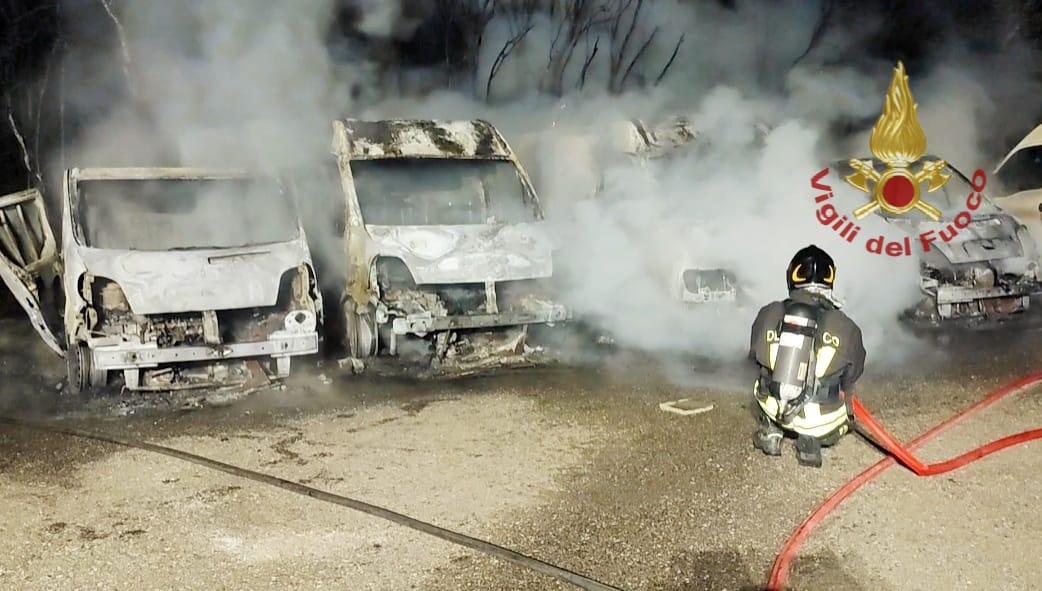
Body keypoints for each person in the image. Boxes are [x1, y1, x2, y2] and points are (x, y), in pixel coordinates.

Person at [748, 244, 867, 467]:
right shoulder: (847, 325)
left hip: (775, 410)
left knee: (759, 385)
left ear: (792, 276)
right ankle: (812, 442)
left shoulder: (768, 312)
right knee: (838, 411)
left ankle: (772, 430)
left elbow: (754, 356)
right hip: (824, 422)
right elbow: (853, 374)